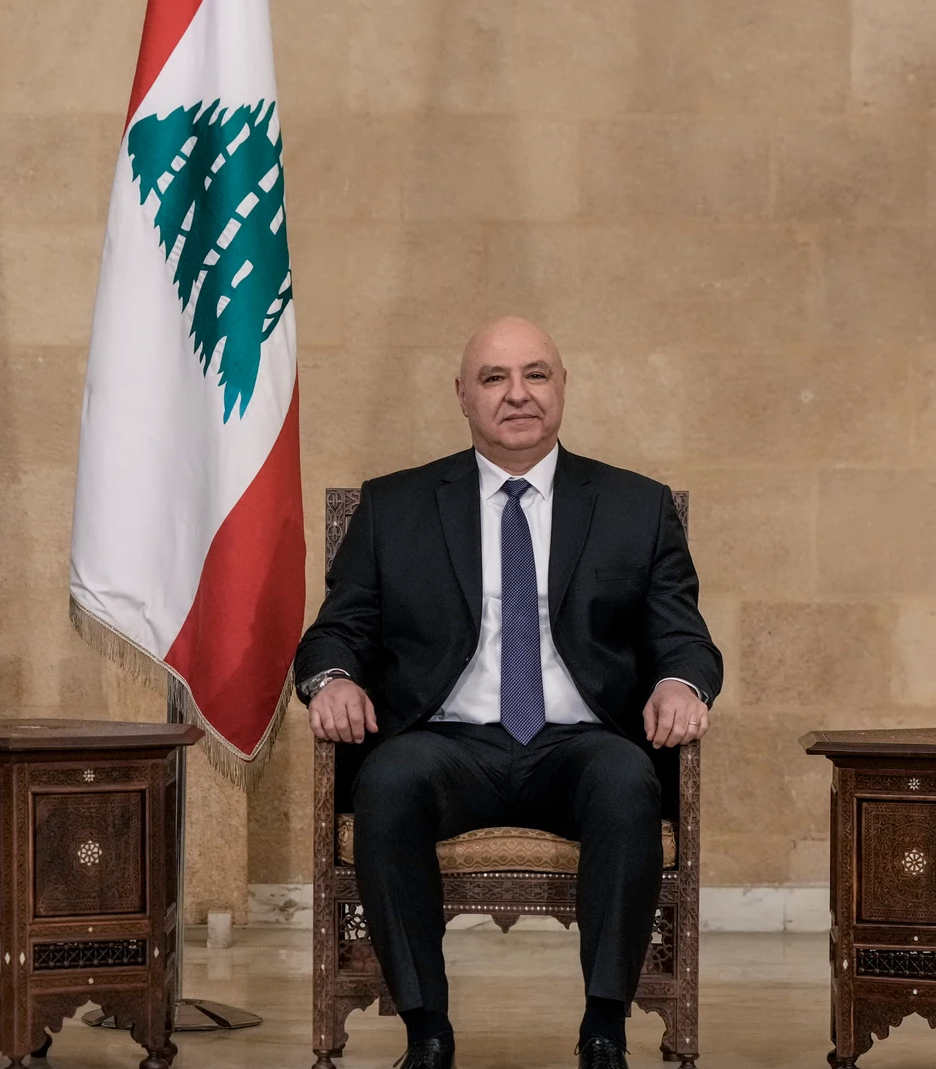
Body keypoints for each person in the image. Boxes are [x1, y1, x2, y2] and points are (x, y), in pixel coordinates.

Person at [294, 316, 722, 1069]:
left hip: (580, 743)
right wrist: (330, 680)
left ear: (562, 387)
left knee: (627, 781)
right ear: (462, 395)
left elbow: (682, 635)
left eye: (536, 374)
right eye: (494, 378)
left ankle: (603, 1027)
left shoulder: (636, 506)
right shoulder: (395, 506)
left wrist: (681, 683)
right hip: (446, 742)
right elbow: (339, 627)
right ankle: (427, 1029)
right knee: (388, 783)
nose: (517, 394)